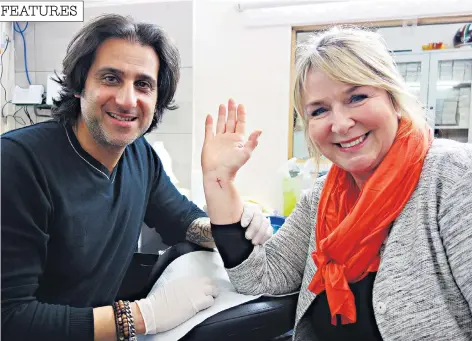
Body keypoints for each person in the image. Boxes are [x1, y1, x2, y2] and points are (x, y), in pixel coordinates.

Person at [1, 14, 272, 341]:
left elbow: (181, 220)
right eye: (111, 78)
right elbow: (9, 319)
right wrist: (140, 316)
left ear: (158, 99)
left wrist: (231, 225)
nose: (128, 100)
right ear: (79, 86)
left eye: (143, 84)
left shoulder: (140, 156)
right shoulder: (18, 163)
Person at [200, 26, 472, 341]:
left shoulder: (453, 177)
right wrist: (218, 181)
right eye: (319, 110)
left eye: (357, 97)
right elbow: (260, 276)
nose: (341, 124)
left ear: (393, 98)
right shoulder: (323, 198)